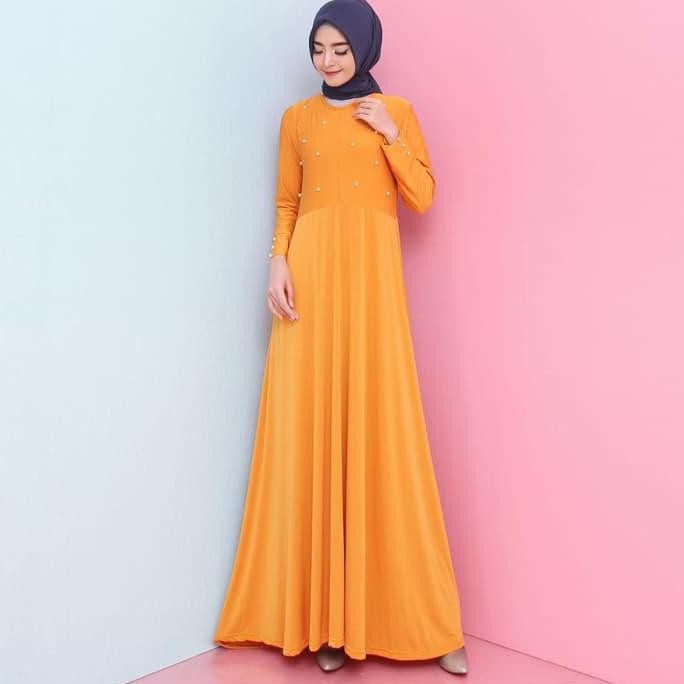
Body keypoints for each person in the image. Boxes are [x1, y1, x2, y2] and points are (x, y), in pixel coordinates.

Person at [213, 0, 468, 674]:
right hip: (311, 283)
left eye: (340, 49)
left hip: (372, 288)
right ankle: (326, 624)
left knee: (383, 432)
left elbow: (423, 196)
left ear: (365, 49)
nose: (327, 61)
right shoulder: (295, 119)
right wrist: (277, 261)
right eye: (318, 48)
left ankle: (424, 624)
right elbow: (287, 202)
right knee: (312, 432)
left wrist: (389, 133)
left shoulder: (396, 110)